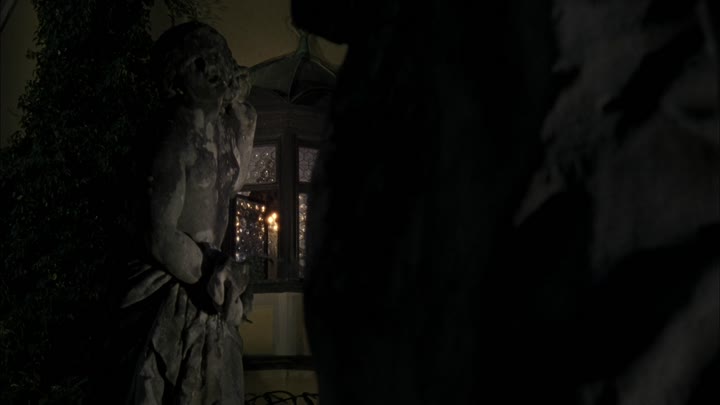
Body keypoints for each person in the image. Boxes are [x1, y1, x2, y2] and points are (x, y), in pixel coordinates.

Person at [114, 21, 257, 404]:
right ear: (176, 76)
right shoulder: (173, 135)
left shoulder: (218, 137)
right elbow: (159, 234)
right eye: (199, 62)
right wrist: (211, 270)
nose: (212, 69)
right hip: (171, 287)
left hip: (207, 288)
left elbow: (235, 180)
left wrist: (243, 115)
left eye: (218, 59)